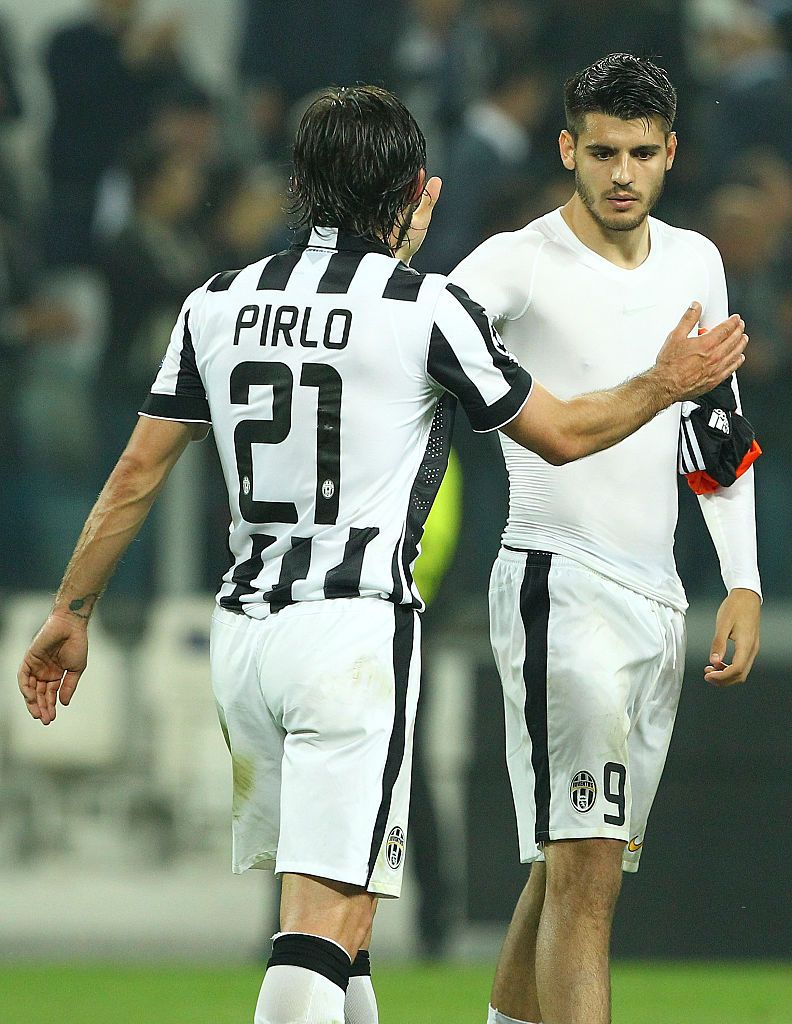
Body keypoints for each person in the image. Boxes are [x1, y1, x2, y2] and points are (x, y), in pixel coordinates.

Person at [17, 85, 746, 1024]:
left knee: (346, 942)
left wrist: (71, 612)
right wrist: (665, 380)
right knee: (319, 927)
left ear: (301, 186)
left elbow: (134, 474)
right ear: (413, 193)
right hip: (351, 640)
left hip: (244, 642)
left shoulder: (216, 301)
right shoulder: (422, 309)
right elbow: (560, 433)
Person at [449, 53, 762, 1024]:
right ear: (566, 151)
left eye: (639, 153)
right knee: (586, 874)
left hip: (657, 599)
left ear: (670, 153)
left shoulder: (696, 262)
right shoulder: (516, 264)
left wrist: (741, 575)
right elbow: (424, 334)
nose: (619, 174)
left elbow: (715, 422)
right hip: (558, 582)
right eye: (600, 153)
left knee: (567, 865)